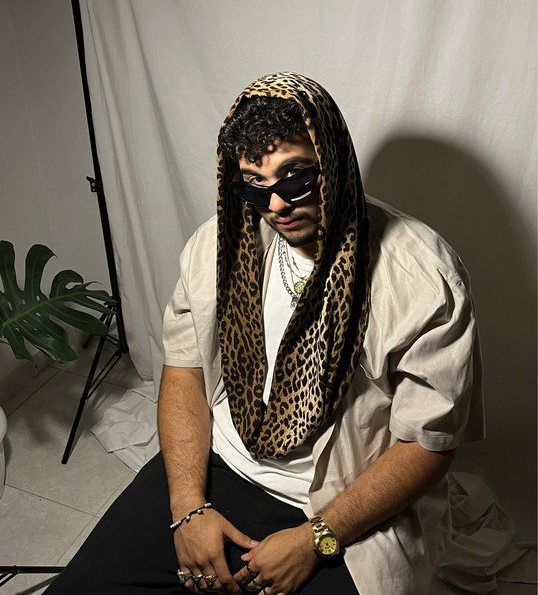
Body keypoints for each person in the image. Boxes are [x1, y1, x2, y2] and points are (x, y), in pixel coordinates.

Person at [45, 72, 484, 595]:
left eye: (294, 177)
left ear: (334, 163)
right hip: (219, 467)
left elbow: (429, 445)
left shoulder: (421, 279)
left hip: (336, 502)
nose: (275, 205)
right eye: (254, 184)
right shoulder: (218, 247)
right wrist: (188, 508)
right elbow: (184, 372)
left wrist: (316, 539)